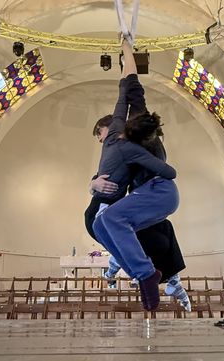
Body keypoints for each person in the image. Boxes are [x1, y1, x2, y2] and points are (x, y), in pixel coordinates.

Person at [89, 38, 180, 311]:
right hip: (142, 194)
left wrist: (128, 50)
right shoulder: (118, 128)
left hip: (157, 192)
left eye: (100, 135)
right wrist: (125, 50)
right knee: (98, 224)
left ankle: (146, 274)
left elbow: (168, 172)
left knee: (113, 217)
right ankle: (137, 272)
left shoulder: (137, 144)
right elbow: (126, 86)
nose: (103, 140)